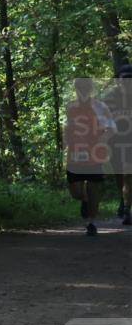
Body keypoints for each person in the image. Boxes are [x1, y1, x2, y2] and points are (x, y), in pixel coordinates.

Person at [64, 77, 116, 236]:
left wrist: (103, 139)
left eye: (86, 87)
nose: (83, 90)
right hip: (75, 154)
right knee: (76, 193)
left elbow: (112, 128)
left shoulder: (100, 107)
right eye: (80, 87)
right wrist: (65, 142)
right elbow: (67, 127)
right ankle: (84, 200)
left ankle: (92, 223)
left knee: (94, 188)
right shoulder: (70, 107)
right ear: (76, 88)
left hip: (94, 155)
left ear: (91, 89)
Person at [104, 62, 132, 225]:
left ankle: (126, 207)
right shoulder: (110, 97)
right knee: (119, 174)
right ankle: (123, 201)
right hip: (116, 141)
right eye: (125, 80)